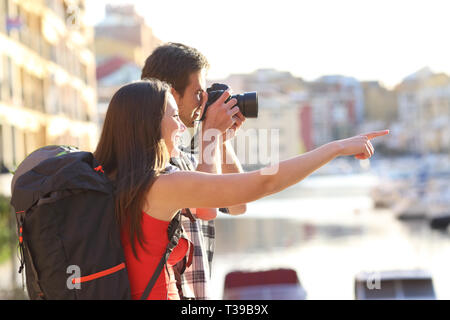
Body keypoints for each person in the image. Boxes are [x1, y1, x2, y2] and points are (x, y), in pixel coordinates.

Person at [94, 79, 389, 299]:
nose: (182, 128)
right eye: (173, 117)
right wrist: (336, 148)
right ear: (148, 125)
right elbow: (264, 181)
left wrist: (217, 139)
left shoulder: (109, 178)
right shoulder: (162, 185)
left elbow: (230, 205)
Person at [140, 42, 247, 299]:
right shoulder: (150, 165)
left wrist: (221, 138)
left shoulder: (186, 158)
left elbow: (237, 204)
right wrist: (210, 133)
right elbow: (207, 208)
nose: (204, 101)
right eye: (199, 93)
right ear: (171, 95)